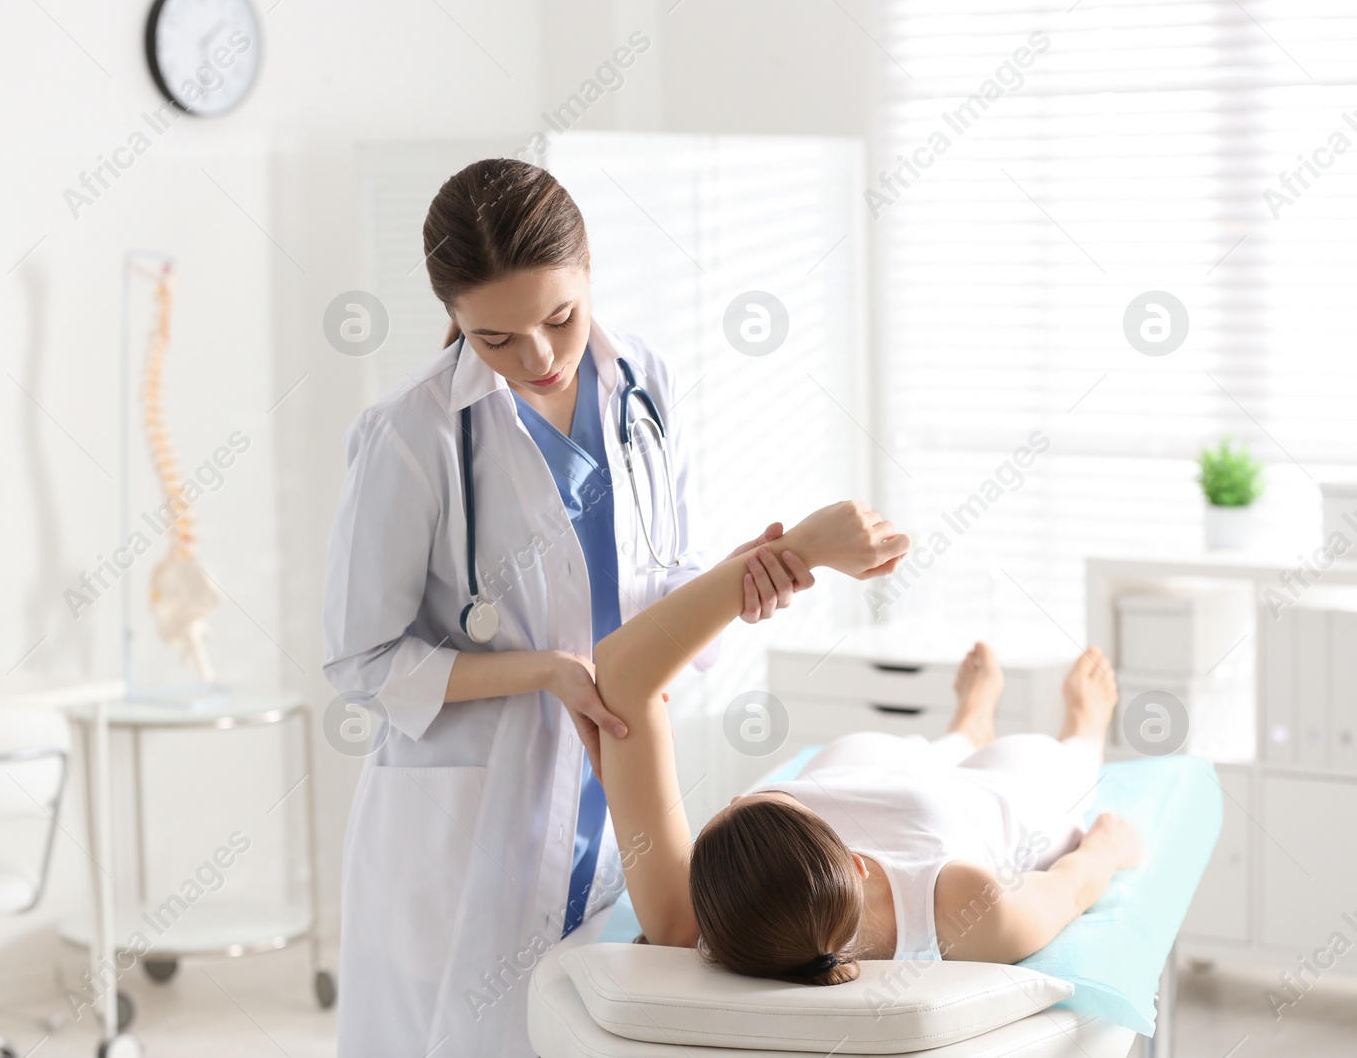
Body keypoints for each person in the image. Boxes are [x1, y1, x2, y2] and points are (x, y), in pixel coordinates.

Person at [323, 158, 856, 1058]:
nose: (537, 357)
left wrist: (732, 584)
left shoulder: (641, 380)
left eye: (559, 317)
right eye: (494, 339)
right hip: (471, 823)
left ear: (591, 268)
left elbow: (662, 570)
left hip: (611, 793)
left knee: (595, 1029)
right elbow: (361, 663)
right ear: (451, 315)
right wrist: (544, 673)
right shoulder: (407, 434)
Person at [590, 505, 1143, 981]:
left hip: (852, 773)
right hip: (966, 809)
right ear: (854, 865)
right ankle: (1076, 723)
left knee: (928, 748)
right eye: (761, 801)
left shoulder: (686, 917)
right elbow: (1069, 891)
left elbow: (620, 677)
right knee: (1056, 760)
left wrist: (788, 555)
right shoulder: (963, 906)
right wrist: (1107, 849)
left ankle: (967, 726)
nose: (734, 802)